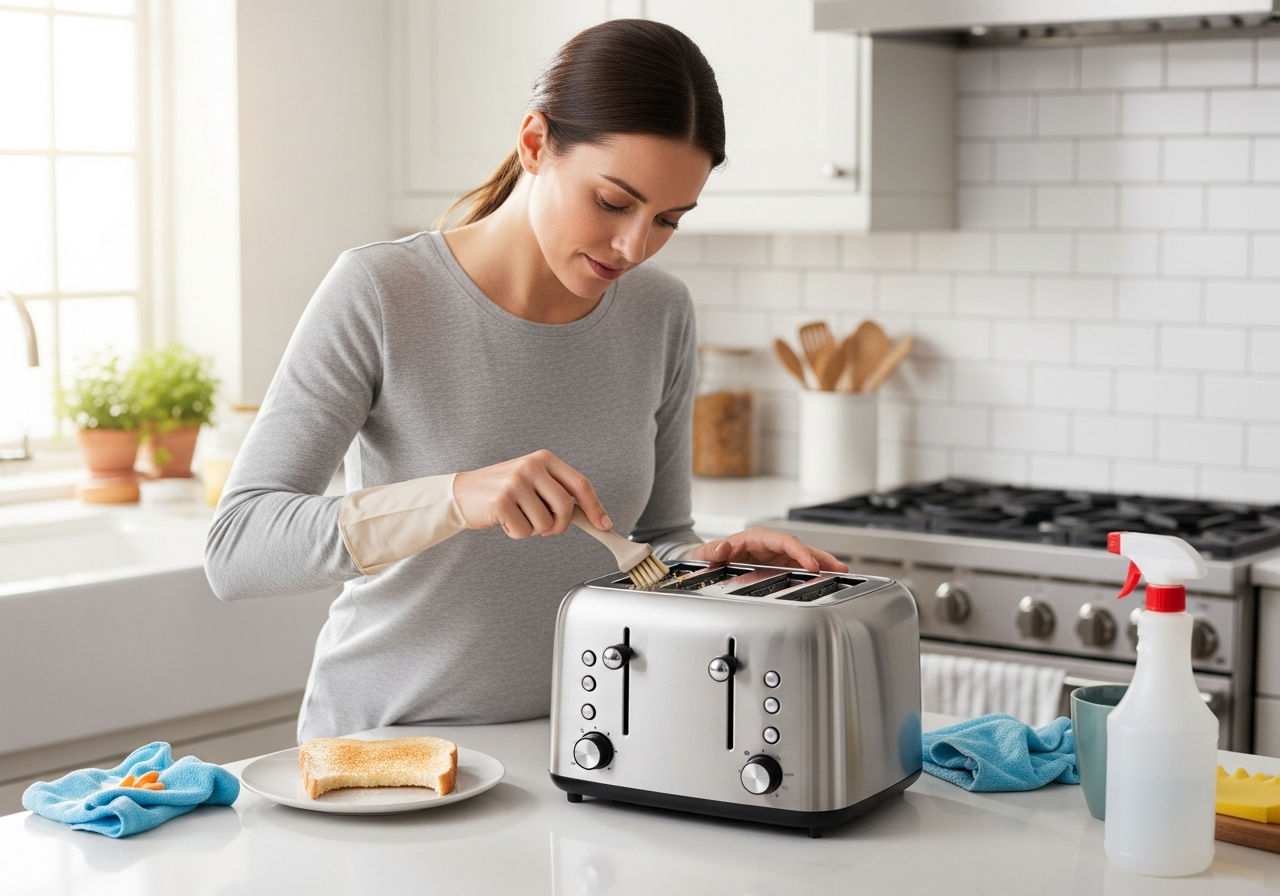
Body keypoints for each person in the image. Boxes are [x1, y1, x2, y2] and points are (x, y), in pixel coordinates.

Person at [205, 19, 846, 742]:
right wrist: (456, 498)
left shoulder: (659, 311)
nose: (634, 245)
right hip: (389, 751)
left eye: (669, 219)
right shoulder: (382, 291)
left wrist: (718, 565)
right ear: (536, 143)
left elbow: (650, 540)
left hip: (591, 746)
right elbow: (239, 548)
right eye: (612, 202)